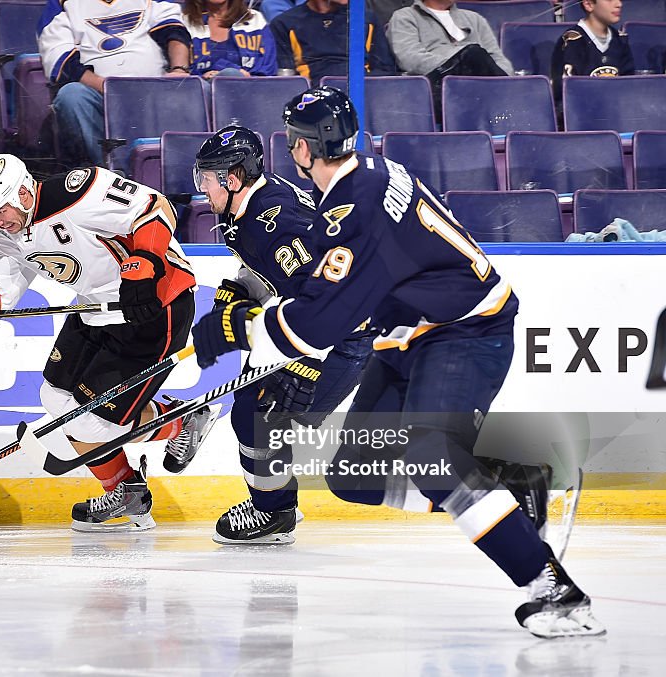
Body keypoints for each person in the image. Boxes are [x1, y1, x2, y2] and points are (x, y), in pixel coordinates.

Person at [191, 86, 606, 638]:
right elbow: (327, 282)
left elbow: (313, 326)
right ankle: (509, 485)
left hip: (466, 329)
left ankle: (550, 586)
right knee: (351, 478)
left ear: (300, 149)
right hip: (406, 337)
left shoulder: (352, 206)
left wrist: (235, 328)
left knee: (432, 455)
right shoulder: (367, 177)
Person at [0, 153, 221, 532]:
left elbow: (154, 208)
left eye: (0, 209)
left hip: (154, 305)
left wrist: (143, 267)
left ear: (23, 191)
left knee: (90, 424)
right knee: (56, 399)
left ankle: (182, 421)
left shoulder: (76, 192)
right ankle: (128, 490)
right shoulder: (6, 236)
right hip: (95, 308)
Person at [192, 125, 373, 544]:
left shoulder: (271, 223)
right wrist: (244, 285)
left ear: (231, 179)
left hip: (341, 337)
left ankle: (274, 513)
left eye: (207, 179)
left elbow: (328, 293)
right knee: (251, 413)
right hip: (305, 325)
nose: (202, 189)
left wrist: (308, 364)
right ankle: (274, 505)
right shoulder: (251, 205)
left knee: (264, 422)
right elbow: (275, 270)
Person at [38, 0, 193, 166]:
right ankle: (110, 174)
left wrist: (179, 70)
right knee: (71, 96)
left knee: (196, 90)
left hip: (154, 89)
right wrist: (112, 89)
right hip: (100, 95)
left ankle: (181, 171)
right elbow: (59, 59)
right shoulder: (60, 4)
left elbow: (175, 32)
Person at [388, 0, 512, 114]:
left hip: (478, 86)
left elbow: (498, 58)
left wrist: (505, 77)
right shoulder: (405, 16)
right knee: (473, 54)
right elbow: (410, 58)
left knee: (476, 56)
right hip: (435, 86)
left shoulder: (475, 19)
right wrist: (458, 61)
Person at [270, 0, 397, 81]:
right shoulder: (285, 23)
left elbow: (385, 72)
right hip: (314, 100)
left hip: (363, 94)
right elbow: (286, 80)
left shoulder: (366, 18)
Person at [551, 0, 634, 113]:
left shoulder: (621, 40)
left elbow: (629, 89)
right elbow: (566, 96)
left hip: (616, 116)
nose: (619, 4)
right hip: (583, 119)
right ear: (588, 4)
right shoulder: (573, 41)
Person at [182, 0, 276, 79]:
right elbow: (181, 70)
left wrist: (243, 76)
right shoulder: (183, 22)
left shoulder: (255, 20)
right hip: (202, 91)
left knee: (231, 75)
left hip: (251, 89)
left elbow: (268, 67)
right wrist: (202, 77)